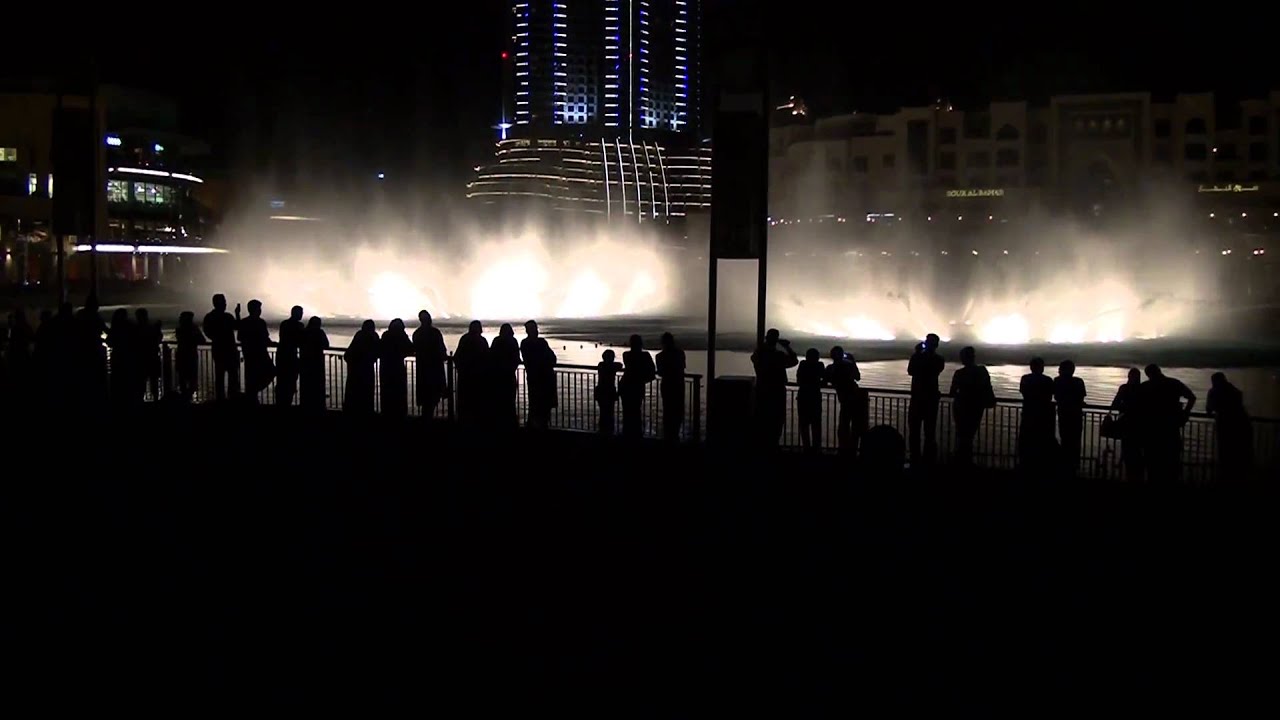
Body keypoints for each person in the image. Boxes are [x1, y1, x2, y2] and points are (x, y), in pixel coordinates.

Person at [1137, 364, 1196, 484]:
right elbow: (1192, 397)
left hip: (1151, 432)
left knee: (1152, 467)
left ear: (1148, 374)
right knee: (1171, 466)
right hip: (1170, 429)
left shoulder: (1146, 386)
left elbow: (1138, 406)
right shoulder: (1174, 383)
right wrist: (1184, 414)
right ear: (1159, 371)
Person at [751, 328, 798, 447]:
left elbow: (754, 357)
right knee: (776, 420)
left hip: (762, 390)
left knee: (762, 418)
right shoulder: (778, 356)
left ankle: (761, 445)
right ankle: (773, 445)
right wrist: (787, 347)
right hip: (777, 391)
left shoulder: (760, 355)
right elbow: (794, 360)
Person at [949, 346, 994, 466]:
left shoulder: (959, 373)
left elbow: (952, 392)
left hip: (961, 406)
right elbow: (988, 387)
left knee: (961, 433)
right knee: (970, 433)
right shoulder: (982, 371)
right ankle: (967, 460)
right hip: (976, 406)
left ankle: (960, 460)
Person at [906, 333, 944, 464]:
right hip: (931, 399)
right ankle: (929, 460)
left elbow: (911, 371)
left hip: (917, 398)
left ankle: (914, 458)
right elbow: (935, 371)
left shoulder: (918, 357)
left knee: (914, 431)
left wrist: (917, 354)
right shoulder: (939, 359)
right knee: (930, 432)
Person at [1206, 371, 1251, 480]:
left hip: (1224, 425)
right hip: (1241, 424)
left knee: (1225, 450)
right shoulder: (1235, 391)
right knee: (1239, 451)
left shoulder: (1214, 391)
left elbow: (1209, 410)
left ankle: (1225, 477)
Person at [825, 347, 865, 455]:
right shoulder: (848, 365)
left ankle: (843, 450)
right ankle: (855, 450)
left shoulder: (830, 368)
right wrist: (853, 362)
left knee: (844, 426)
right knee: (857, 427)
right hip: (856, 398)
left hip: (845, 398)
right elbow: (857, 377)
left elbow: (826, 380)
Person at [1019, 357, 1056, 468]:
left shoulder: (1025, 379)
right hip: (1044, 415)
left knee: (1027, 439)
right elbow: (1051, 395)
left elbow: (1024, 392)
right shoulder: (1048, 380)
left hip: (1028, 413)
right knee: (1042, 440)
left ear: (1031, 367)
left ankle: (1026, 464)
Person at [521, 320, 557, 430]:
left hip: (533, 378)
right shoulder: (541, 343)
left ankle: (534, 426)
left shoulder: (524, 343)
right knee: (543, 406)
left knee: (534, 404)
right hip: (544, 378)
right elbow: (552, 359)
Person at [202, 294, 239, 401]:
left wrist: (216, 337)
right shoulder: (228, 317)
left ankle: (220, 399)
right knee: (233, 377)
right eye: (224, 302)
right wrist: (237, 314)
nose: (225, 304)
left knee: (219, 377)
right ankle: (232, 399)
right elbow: (237, 326)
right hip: (230, 350)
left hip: (218, 350)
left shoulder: (209, 317)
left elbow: (208, 332)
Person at [74, 294, 108, 407]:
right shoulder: (95, 317)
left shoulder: (80, 315)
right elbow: (105, 329)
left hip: (81, 349)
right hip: (93, 348)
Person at [1110, 368, 1145, 480]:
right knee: (1139, 450)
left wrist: (1124, 407)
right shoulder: (1143, 389)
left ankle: (1129, 475)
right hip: (1140, 424)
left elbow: (1115, 404)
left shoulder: (1124, 388)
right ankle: (1138, 476)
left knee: (1127, 449)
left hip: (1126, 423)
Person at [412, 310, 448, 418]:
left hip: (422, 369)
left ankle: (426, 421)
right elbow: (442, 350)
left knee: (426, 398)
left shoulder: (417, 333)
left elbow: (414, 348)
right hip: (435, 369)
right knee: (433, 396)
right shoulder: (435, 332)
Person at [453, 320, 490, 426]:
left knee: (465, 402)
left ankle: (464, 424)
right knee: (477, 403)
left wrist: (461, 369)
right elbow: (487, 357)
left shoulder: (464, 339)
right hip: (479, 378)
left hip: (465, 377)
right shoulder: (482, 341)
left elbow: (457, 356)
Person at [1053, 360, 1087, 473]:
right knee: (1075, 442)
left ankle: (1065, 466)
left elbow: (1057, 397)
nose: (1058, 371)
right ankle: (1074, 466)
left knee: (1065, 439)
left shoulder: (1057, 381)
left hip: (1064, 415)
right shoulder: (1079, 382)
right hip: (1076, 416)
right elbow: (1081, 399)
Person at [238, 300, 274, 403]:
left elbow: (240, 337)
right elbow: (265, 338)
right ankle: (251, 396)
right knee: (270, 372)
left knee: (251, 378)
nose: (260, 311)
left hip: (249, 355)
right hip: (260, 354)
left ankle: (251, 396)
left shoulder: (244, 322)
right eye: (258, 308)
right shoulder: (260, 322)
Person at [620, 334, 655, 439]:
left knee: (627, 412)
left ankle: (627, 435)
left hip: (626, 386)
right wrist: (642, 380)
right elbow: (652, 372)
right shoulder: (645, 356)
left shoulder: (626, 355)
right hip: (637, 387)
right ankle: (636, 435)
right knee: (635, 411)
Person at [379, 318, 414, 419]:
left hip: (385, 369)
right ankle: (399, 417)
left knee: (387, 395)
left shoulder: (386, 335)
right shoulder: (401, 336)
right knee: (399, 395)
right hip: (397, 369)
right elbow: (411, 348)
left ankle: (387, 416)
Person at [343, 320, 380, 414]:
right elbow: (378, 350)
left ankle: (353, 413)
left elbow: (348, 354)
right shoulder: (373, 336)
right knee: (366, 393)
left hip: (355, 370)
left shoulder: (359, 335)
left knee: (354, 393)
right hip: (366, 369)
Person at [655, 332, 687, 442]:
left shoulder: (659, 356)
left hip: (667, 386)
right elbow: (682, 368)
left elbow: (660, 372)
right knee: (678, 410)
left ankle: (668, 435)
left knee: (667, 410)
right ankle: (675, 435)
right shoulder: (680, 353)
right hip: (678, 385)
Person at [489, 323, 521, 430]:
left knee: (498, 402)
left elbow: (491, 356)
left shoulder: (496, 341)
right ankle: (511, 426)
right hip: (509, 377)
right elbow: (516, 358)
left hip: (496, 377)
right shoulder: (513, 341)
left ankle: (498, 425)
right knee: (510, 402)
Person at [796, 348, 826, 452]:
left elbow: (799, 380)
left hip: (803, 396)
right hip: (815, 397)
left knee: (804, 424)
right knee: (816, 424)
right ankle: (816, 448)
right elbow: (825, 379)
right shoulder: (820, 365)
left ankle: (806, 448)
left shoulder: (803, 364)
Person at [276, 305, 305, 407]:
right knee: (290, 382)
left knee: (282, 382)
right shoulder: (299, 326)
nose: (302, 315)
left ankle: (281, 405)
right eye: (301, 313)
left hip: (281, 356)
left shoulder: (284, 324)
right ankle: (285, 405)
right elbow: (301, 341)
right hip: (290, 357)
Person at [106, 308, 136, 406]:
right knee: (127, 379)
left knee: (118, 380)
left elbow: (109, 342)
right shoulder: (130, 326)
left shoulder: (116, 327)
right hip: (128, 356)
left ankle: (117, 401)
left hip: (118, 356)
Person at [299, 316, 330, 411]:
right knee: (317, 385)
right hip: (317, 362)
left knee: (306, 385)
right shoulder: (320, 332)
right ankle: (318, 406)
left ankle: (305, 406)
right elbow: (326, 345)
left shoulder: (304, 332)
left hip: (305, 362)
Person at [174, 311, 205, 400]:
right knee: (191, 380)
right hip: (191, 357)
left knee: (183, 380)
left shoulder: (180, 329)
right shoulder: (194, 329)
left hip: (181, 356)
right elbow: (202, 340)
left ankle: (184, 399)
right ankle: (188, 398)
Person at [134, 308, 162, 401]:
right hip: (151, 357)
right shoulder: (150, 328)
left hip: (140, 359)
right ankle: (155, 400)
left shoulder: (136, 329)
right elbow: (158, 338)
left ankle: (140, 400)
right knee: (153, 381)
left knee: (141, 382)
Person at [595, 349, 623, 436]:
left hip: (601, 391)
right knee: (610, 412)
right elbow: (620, 365)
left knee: (603, 412)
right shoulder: (612, 366)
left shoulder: (601, 364)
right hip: (609, 391)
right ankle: (609, 431)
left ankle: (602, 431)